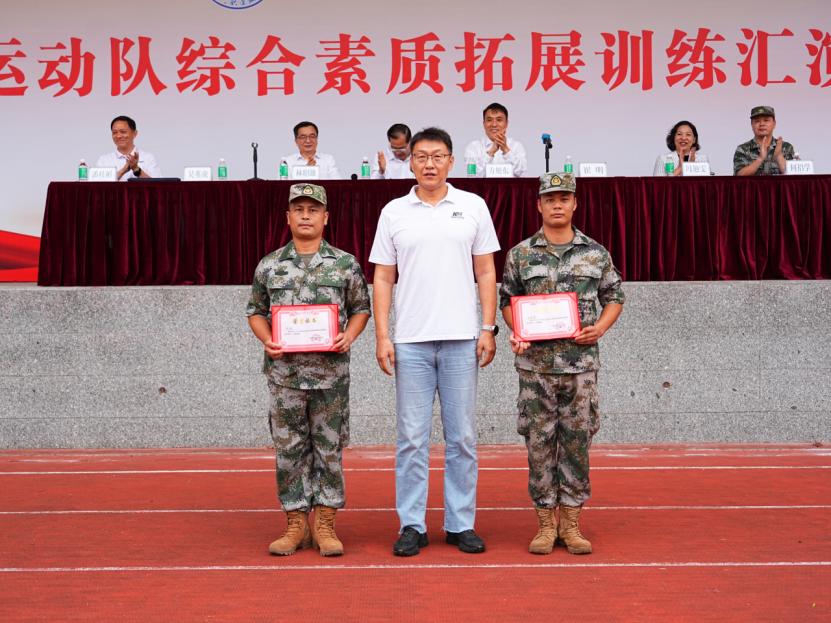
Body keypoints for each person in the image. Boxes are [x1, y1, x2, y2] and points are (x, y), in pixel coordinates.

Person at [370, 127, 500, 556]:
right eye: (422, 156)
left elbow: (486, 271)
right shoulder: (394, 211)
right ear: (411, 162)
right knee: (411, 438)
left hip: (462, 338)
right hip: (411, 341)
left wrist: (487, 327)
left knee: (462, 438)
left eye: (438, 156)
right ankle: (412, 524)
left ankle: (460, 523)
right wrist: (383, 336)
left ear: (451, 161)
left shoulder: (473, 206)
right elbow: (383, 277)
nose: (429, 164)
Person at [499, 172, 625, 556]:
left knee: (576, 443)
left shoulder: (595, 253)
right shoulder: (520, 254)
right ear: (538, 205)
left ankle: (570, 524)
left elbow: (614, 296)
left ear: (575, 204)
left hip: (579, 366)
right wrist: (518, 330)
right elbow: (508, 301)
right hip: (535, 368)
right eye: (550, 199)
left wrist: (600, 328)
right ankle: (544, 523)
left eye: (564, 198)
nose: (557, 205)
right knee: (539, 444)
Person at [245, 183, 370, 557]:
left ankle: (326, 523)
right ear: (287, 217)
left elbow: (361, 308)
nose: (305, 215)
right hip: (285, 376)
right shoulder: (270, 265)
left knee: (329, 449)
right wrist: (267, 338)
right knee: (289, 450)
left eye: (312, 210)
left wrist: (349, 335)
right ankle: (295, 524)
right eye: (298, 209)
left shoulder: (344, 264)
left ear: (325, 217)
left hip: (330, 376)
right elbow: (255, 311)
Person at [463, 102, 527, 177]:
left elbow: (523, 175)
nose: (494, 124)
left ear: (506, 123)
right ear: (484, 124)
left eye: (499, 120)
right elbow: (471, 175)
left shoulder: (517, 146)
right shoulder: (472, 147)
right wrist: (491, 152)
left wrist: (506, 150)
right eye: (489, 120)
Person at [733, 106, 796, 176]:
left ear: (774, 124)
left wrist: (779, 156)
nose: (762, 124)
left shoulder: (786, 147)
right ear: (752, 125)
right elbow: (739, 176)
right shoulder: (743, 149)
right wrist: (760, 158)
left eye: (766, 120)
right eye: (757, 121)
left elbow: (793, 176)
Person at [95, 115, 161, 181]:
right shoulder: (104, 160)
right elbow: (97, 184)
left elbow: (157, 184)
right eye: (114, 132)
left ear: (135, 133)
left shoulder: (148, 158)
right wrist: (123, 170)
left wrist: (136, 169)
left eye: (123, 132)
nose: (118, 136)